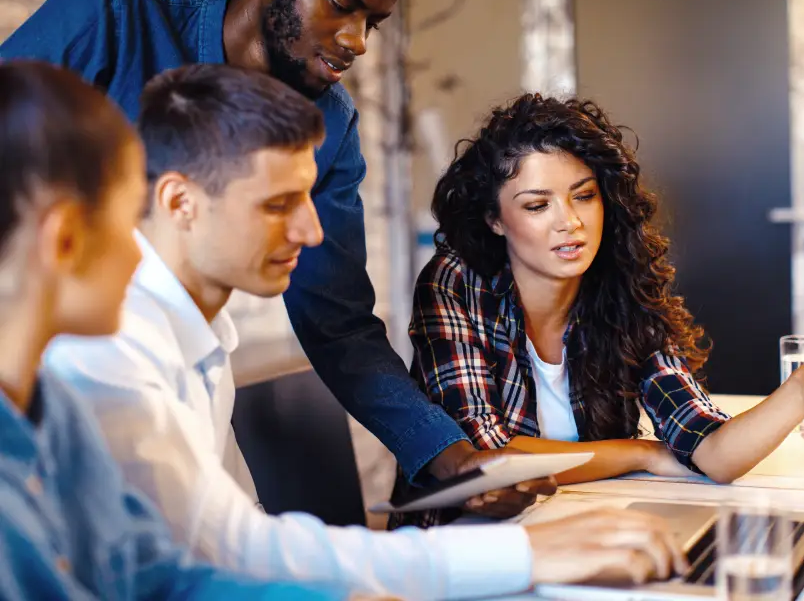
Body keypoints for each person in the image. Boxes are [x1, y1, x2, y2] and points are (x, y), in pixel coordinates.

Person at [43, 64, 687, 599]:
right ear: (180, 202)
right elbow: (219, 553)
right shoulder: (114, 349)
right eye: (277, 205)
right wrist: (518, 554)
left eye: (309, 200)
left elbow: (240, 536)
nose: (312, 232)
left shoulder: (196, 331)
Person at [0, 0, 528, 512]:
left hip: (190, 399)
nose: (356, 41)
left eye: (372, 23)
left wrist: (447, 454)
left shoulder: (332, 122)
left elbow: (336, 318)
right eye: (341, 5)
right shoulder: (117, 10)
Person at [394, 93, 804, 528]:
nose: (568, 222)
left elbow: (710, 452)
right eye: (536, 205)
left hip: (582, 526)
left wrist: (801, 389)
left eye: (583, 196)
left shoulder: (619, 288)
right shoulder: (457, 282)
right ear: (495, 219)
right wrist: (643, 452)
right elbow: (487, 462)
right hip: (461, 547)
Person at [0, 60, 356, 600]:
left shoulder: (55, 413)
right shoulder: (101, 369)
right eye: (127, 223)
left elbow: (154, 572)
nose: (141, 253)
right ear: (65, 239)